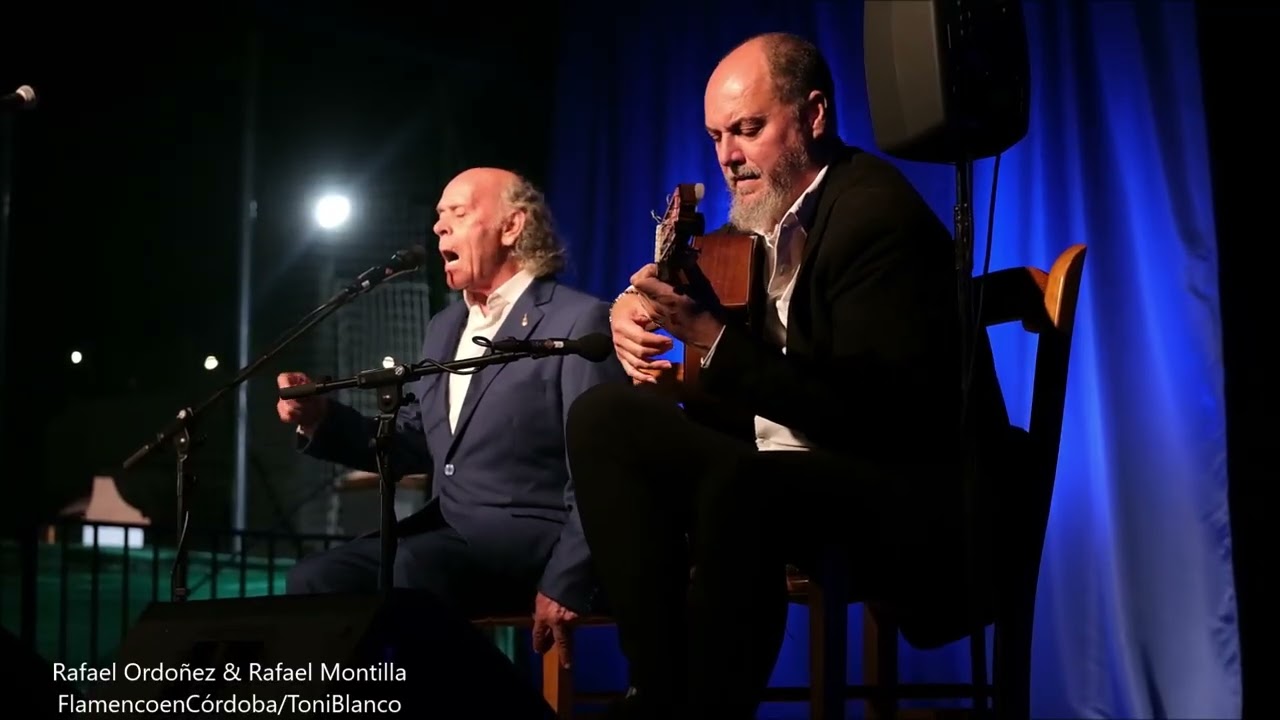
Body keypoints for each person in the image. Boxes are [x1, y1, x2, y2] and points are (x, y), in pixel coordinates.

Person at [565, 33, 1019, 717]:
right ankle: (658, 687)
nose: (728, 157)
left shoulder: (875, 216)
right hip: (779, 468)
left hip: (897, 488)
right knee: (605, 419)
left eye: (748, 129)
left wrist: (711, 337)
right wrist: (642, 310)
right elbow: (739, 376)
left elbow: (861, 415)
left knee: (743, 481)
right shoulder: (765, 222)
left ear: (813, 115)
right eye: (717, 135)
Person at [278, 167, 627, 666]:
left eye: (458, 214)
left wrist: (569, 574)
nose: (439, 227)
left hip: (532, 535)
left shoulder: (577, 320)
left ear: (512, 227)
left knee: (417, 566)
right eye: (438, 217)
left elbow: (601, 472)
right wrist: (320, 418)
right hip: (447, 533)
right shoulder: (446, 326)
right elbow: (416, 440)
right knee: (314, 579)